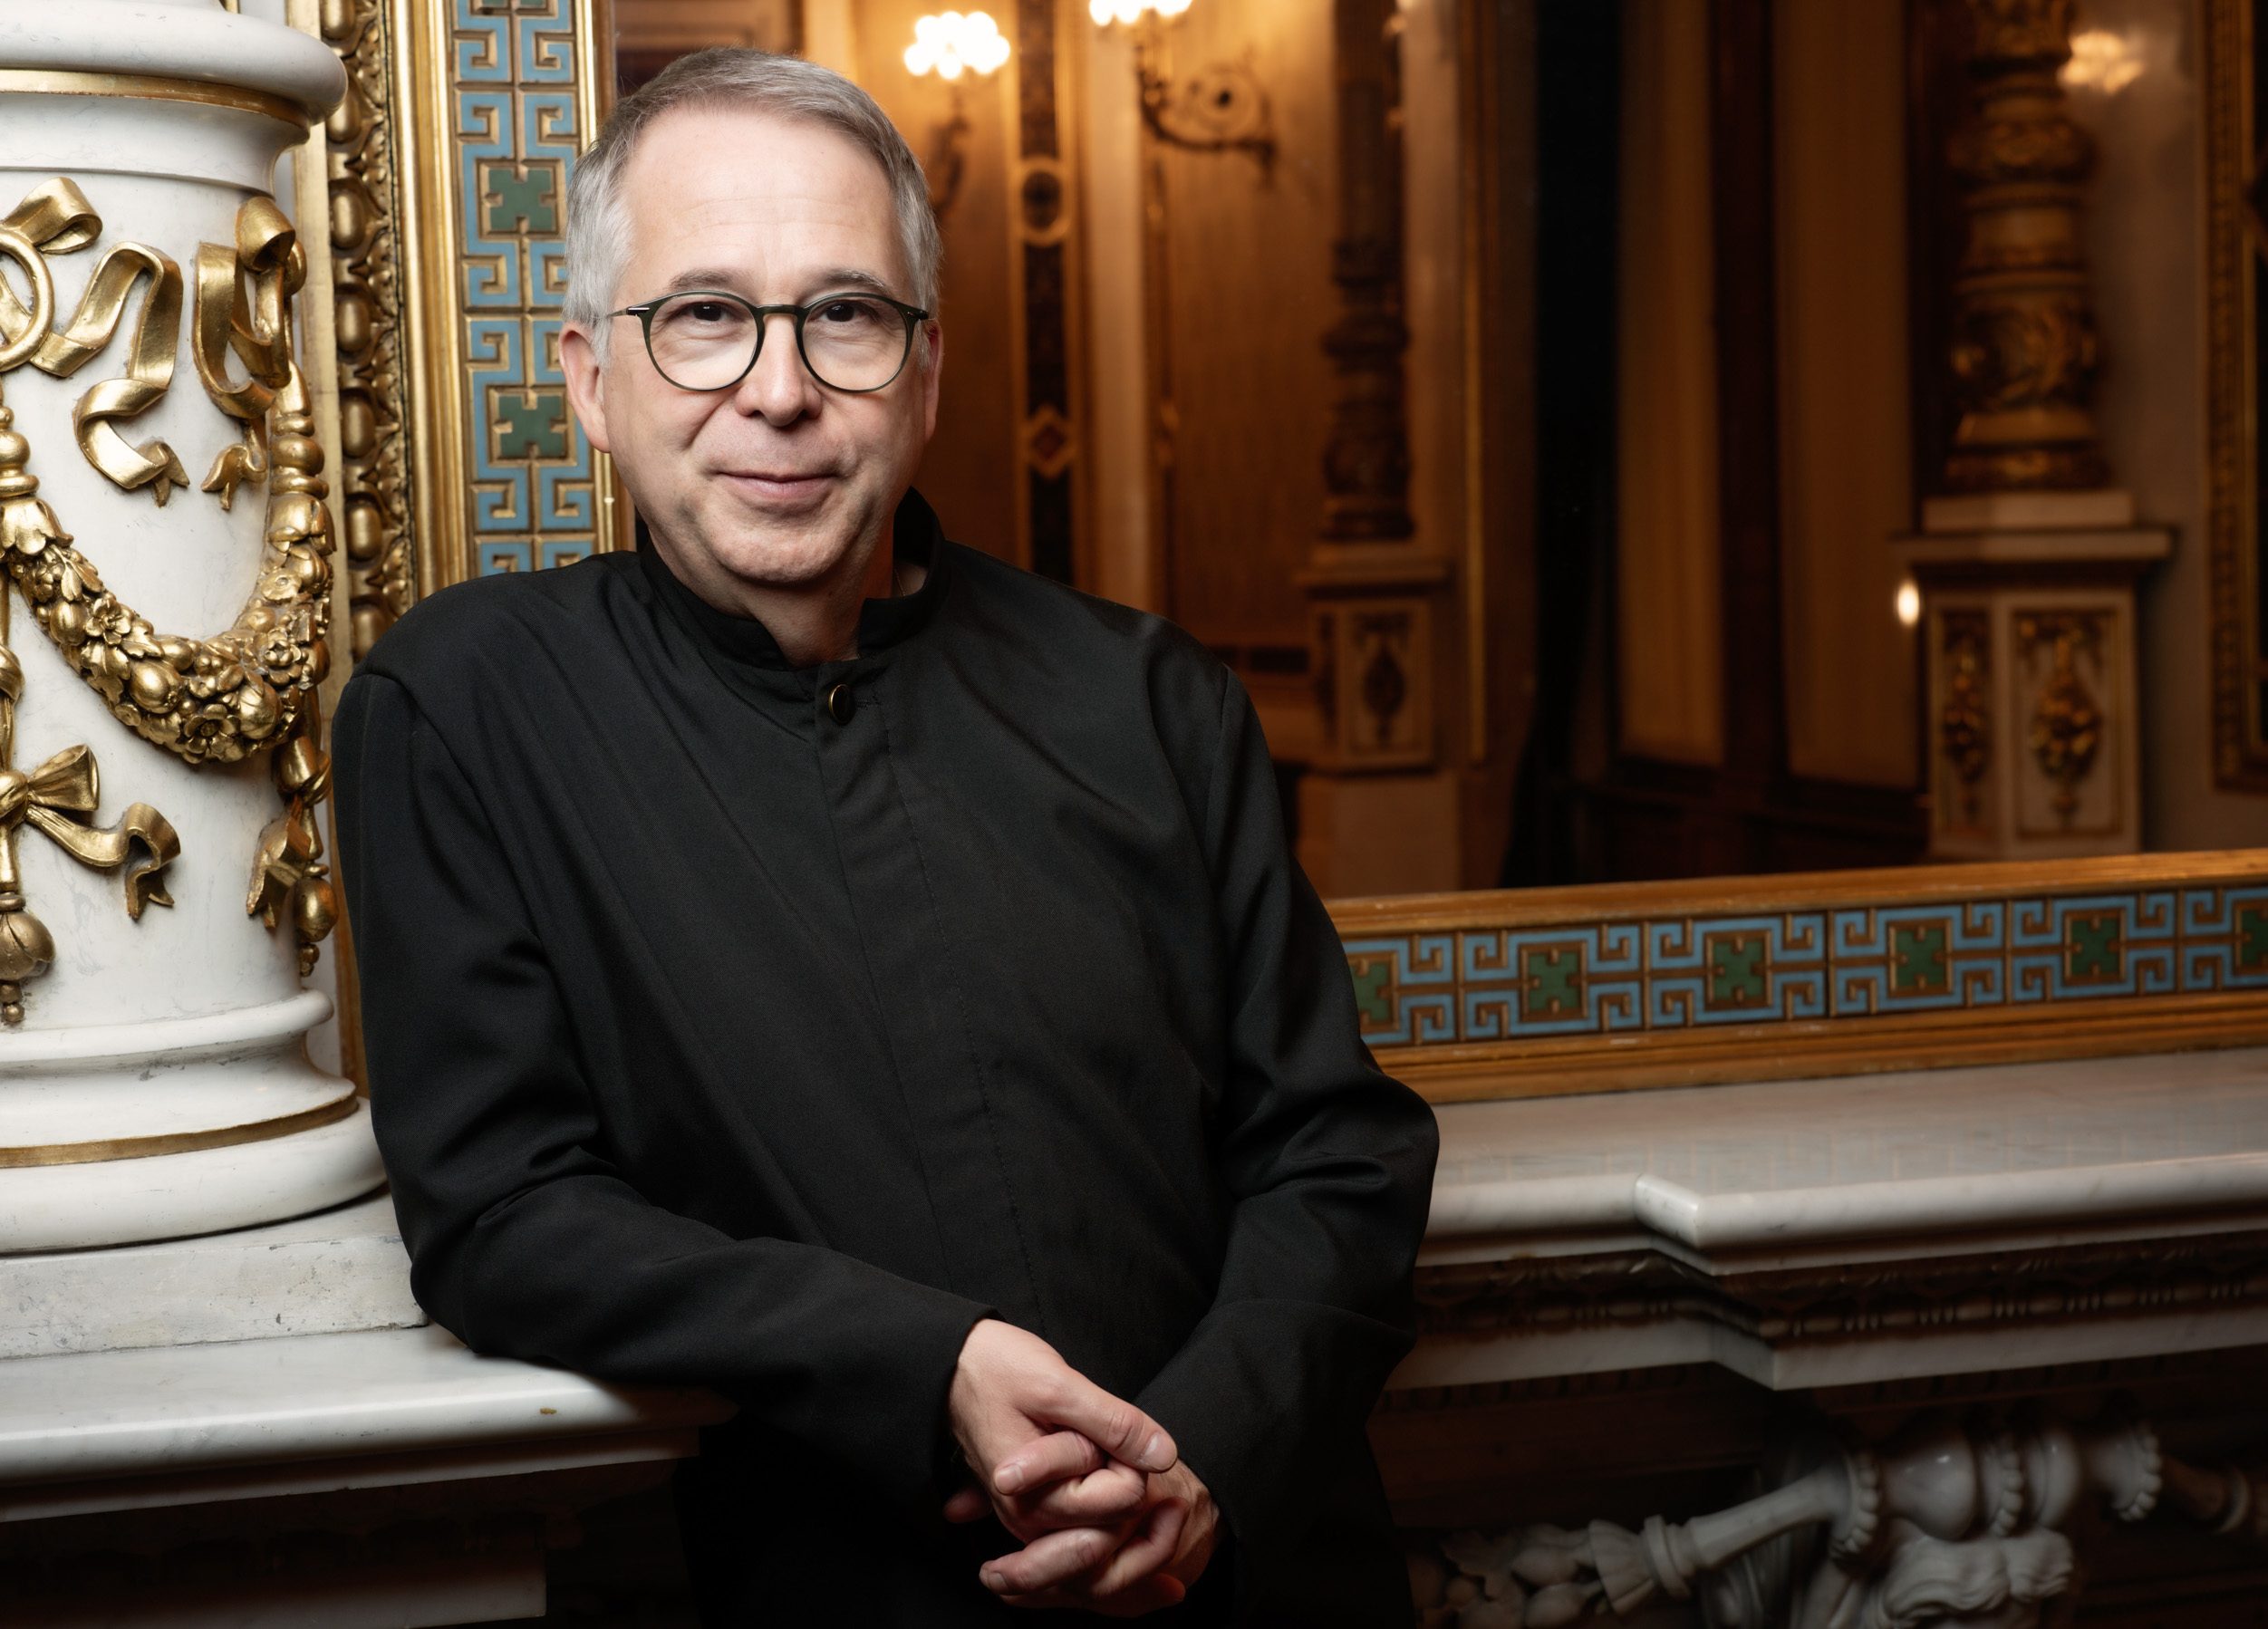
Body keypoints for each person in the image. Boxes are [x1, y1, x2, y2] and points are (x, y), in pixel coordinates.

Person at [333, 47, 1437, 1626]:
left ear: (925, 372)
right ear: (589, 377)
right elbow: (504, 1215)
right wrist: (934, 1363)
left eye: (844, 314)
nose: (778, 389)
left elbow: (1341, 1146)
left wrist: (1203, 1457)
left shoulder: (1149, 694)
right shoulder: (461, 705)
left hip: (1252, 1580)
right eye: (704, 314)